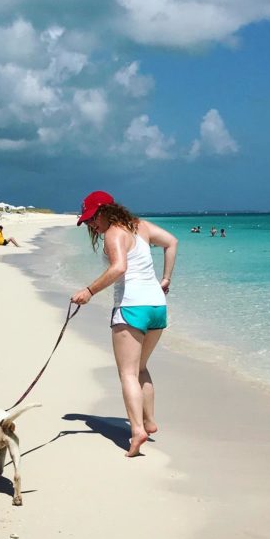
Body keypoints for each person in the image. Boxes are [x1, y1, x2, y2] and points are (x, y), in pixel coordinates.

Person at [71, 190, 178, 457]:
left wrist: (89, 291)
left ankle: (138, 430)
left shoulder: (113, 234)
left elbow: (119, 268)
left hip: (131, 307)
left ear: (106, 211)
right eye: (87, 221)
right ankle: (150, 421)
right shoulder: (140, 226)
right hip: (157, 306)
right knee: (141, 368)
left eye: (93, 218)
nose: (91, 224)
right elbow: (172, 243)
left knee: (127, 373)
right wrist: (165, 279)